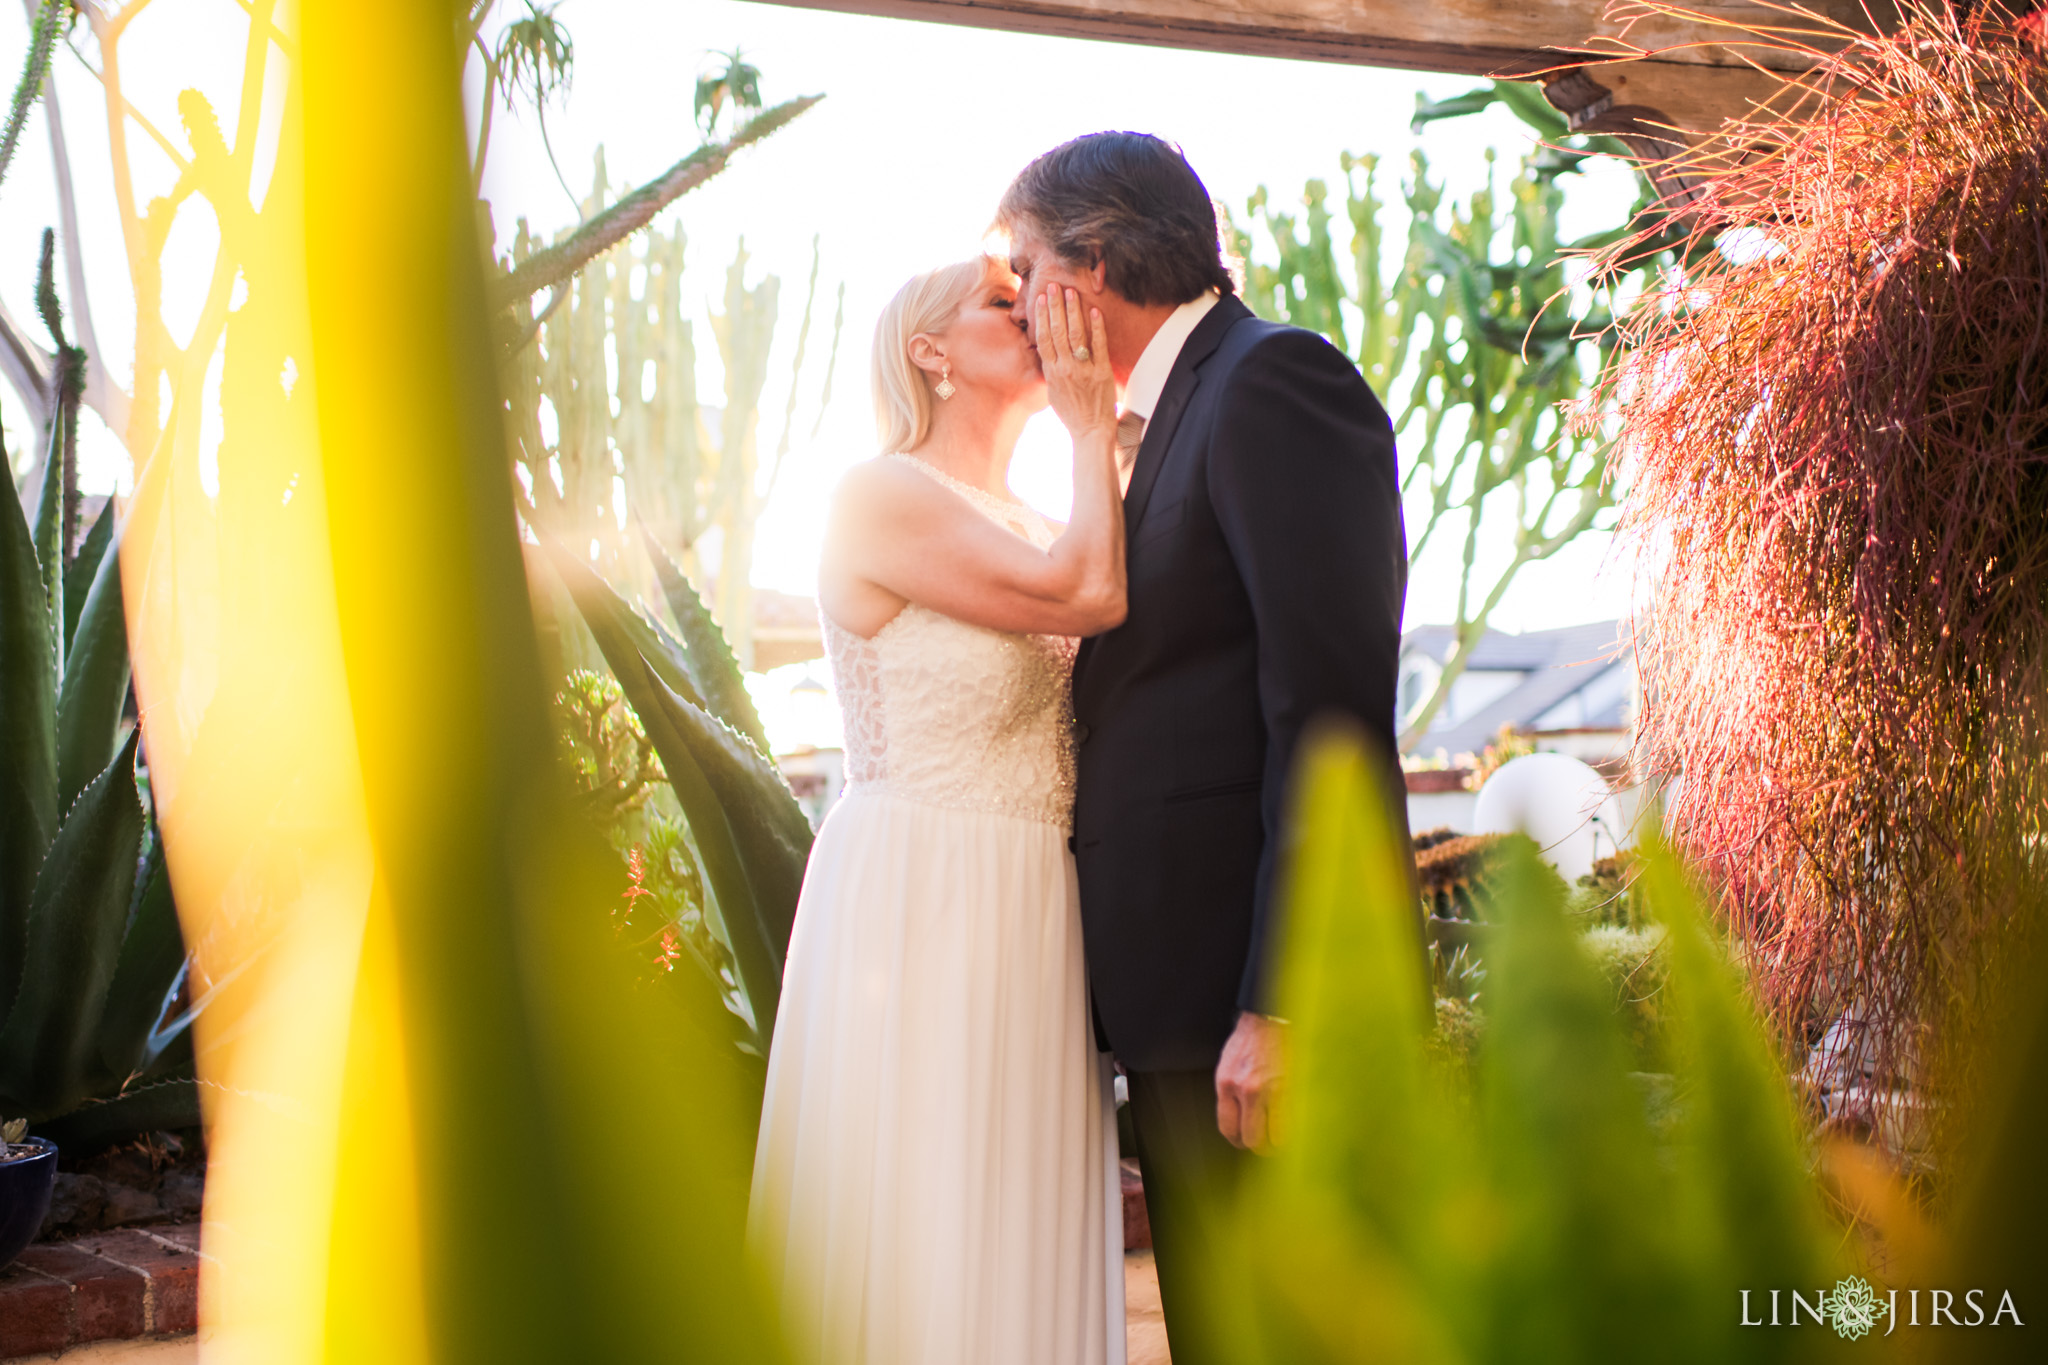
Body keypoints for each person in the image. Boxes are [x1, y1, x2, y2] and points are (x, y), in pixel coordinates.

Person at [998, 131, 1410, 1365]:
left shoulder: (1272, 384)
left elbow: (1329, 712)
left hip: (1246, 1000)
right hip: (1176, 1004)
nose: (1014, 304)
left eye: (1022, 268)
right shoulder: (1161, 417)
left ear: (1098, 261)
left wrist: (1280, 1001)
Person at [748, 256, 1130, 1365]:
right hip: (920, 888)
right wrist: (1088, 425)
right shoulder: (880, 494)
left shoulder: (1033, 516)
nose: (1035, 315)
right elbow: (1091, 597)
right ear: (928, 350)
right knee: (922, 1197)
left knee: (1014, 1187)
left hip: (1032, 895)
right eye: (1001, 306)